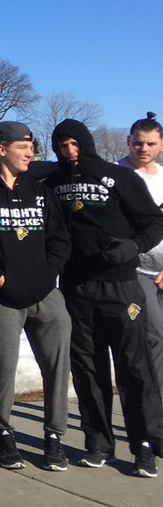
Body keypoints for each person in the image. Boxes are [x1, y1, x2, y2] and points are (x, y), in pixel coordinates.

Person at [49, 119, 163, 477]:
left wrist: (133, 247)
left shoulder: (122, 178)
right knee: (87, 368)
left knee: (134, 366)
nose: (69, 152)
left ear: (86, 143)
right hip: (77, 288)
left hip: (121, 285)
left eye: (74, 144)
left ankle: (144, 444)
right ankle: (97, 441)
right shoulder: (53, 181)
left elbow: (154, 223)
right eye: (62, 146)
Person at [0, 121, 72, 472]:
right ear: (2, 149)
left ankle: (55, 434)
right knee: (2, 365)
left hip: (44, 293)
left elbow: (59, 240)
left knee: (57, 363)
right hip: (0, 295)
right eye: (24, 147)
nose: (31, 153)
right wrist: (0, 279)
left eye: (31, 147)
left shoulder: (40, 192)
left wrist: (46, 275)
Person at [119, 112, 163, 418]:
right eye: (137, 143)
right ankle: (154, 415)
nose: (143, 149)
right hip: (134, 271)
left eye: (150, 143)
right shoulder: (116, 175)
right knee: (154, 337)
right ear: (128, 142)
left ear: (160, 145)